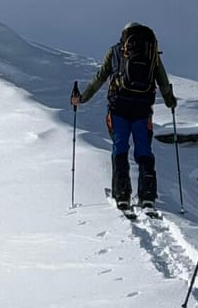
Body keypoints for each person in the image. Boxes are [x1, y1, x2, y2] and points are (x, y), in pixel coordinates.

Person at [71, 23, 176, 209]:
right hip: (143, 108)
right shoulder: (151, 53)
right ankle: (148, 194)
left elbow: (99, 78)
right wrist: (170, 102)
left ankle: (122, 193)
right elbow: (163, 81)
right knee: (144, 148)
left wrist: (82, 98)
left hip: (118, 106)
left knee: (120, 146)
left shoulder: (116, 51)